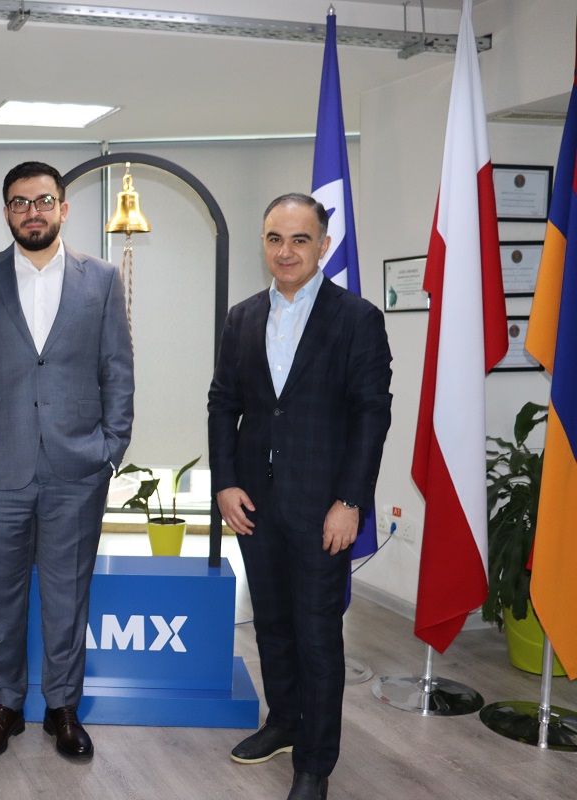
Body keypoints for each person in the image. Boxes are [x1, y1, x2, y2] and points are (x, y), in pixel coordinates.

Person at [0, 161, 134, 762]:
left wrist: (110, 449)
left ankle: (62, 709)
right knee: (1, 594)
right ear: (6, 212)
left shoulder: (102, 279)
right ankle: (4, 706)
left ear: (63, 209)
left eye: (44, 201)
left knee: (67, 594)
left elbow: (117, 369)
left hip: (78, 468)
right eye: (20, 202)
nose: (33, 211)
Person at [207, 193, 392, 800]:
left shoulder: (356, 319)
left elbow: (371, 415)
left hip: (323, 507)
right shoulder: (242, 318)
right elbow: (223, 404)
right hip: (254, 504)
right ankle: (284, 722)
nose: (285, 251)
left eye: (299, 239)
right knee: (271, 624)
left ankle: (315, 762)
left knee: (316, 634)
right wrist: (225, 482)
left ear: (323, 246)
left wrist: (351, 500)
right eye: (274, 239)